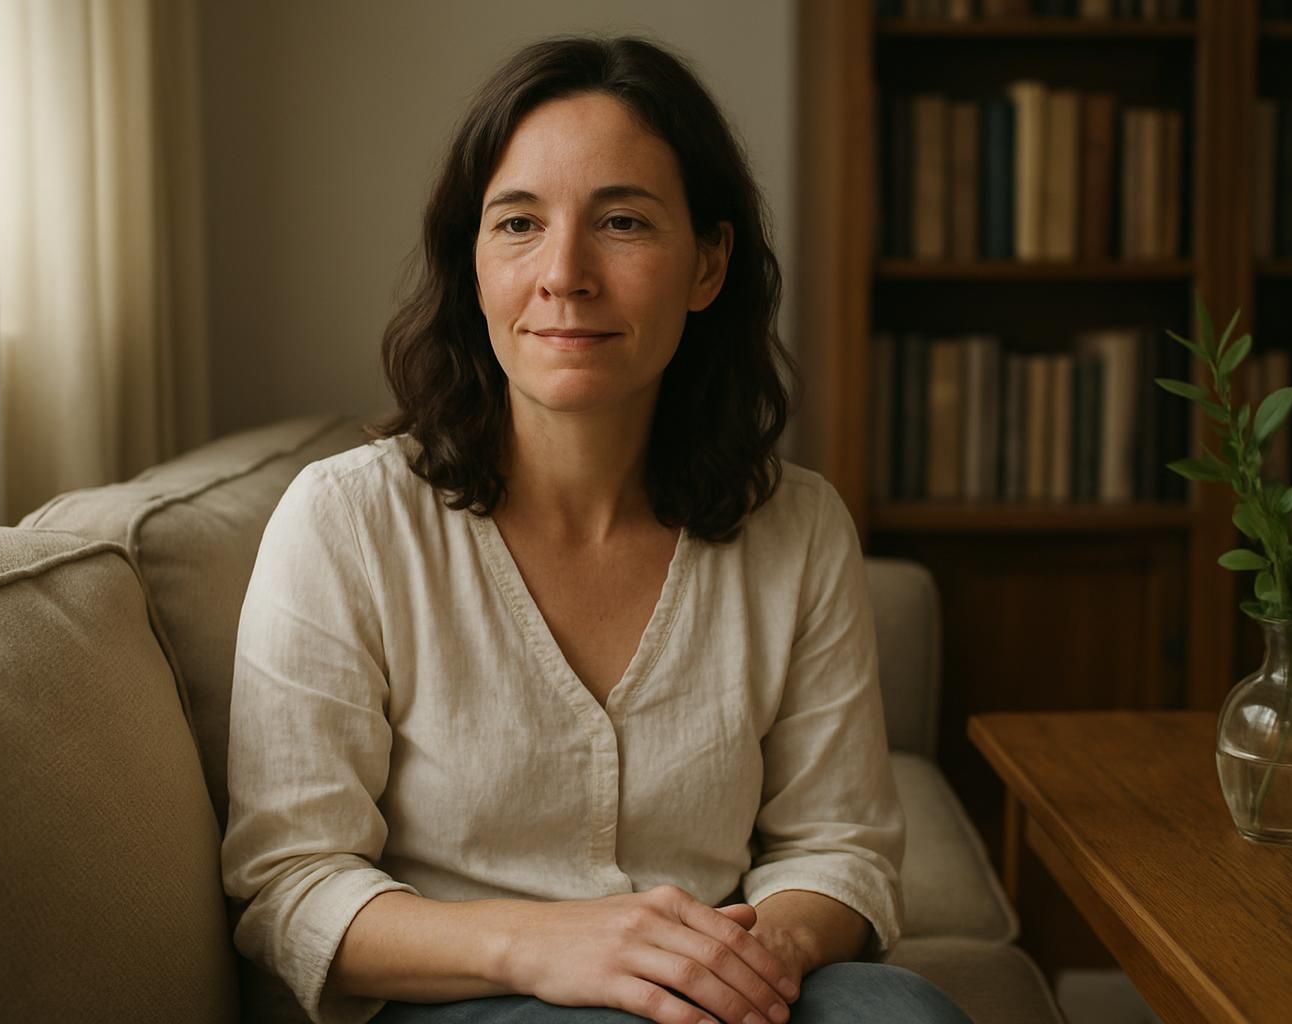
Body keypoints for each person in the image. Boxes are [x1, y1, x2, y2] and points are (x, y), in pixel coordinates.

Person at [221, 33, 974, 1024]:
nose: (564, 273)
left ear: (707, 263)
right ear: (474, 262)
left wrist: (754, 951)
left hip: (715, 992)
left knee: (902, 1012)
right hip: (462, 1001)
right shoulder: (346, 521)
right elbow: (291, 887)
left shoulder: (797, 528)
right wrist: (547, 946)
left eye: (622, 222)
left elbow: (842, 847)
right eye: (519, 223)